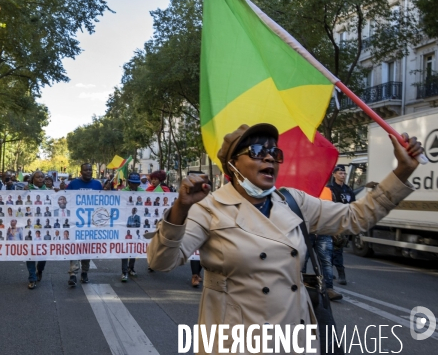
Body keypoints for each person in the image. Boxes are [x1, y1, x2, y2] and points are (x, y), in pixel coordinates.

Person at [146, 123, 422, 351]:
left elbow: (355, 217)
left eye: (274, 153)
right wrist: (181, 207)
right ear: (232, 165)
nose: (268, 158)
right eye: (256, 151)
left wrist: (402, 171)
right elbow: (161, 262)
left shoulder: (293, 201)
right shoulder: (209, 208)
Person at [65, 163, 103, 287]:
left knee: (87, 249)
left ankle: (85, 272)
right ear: (81, 172)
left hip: (91, 224)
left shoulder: (97, 184)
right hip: (76, 223)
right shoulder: (73, 184)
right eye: (86, 170)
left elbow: (104, 201)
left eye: (90, 170)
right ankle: (73, 274)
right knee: (75, 248)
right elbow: (65, 198)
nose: (88, 172)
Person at [327, 165, 356, 286]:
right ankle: (334, 272)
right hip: (332, 221)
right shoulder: (330, 189)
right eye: (340, 173)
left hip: (344, 222)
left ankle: (337, 273)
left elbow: (353, 205)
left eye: (344, 173)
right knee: (329, 249)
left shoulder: (348, 189)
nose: (342, 175)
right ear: (334, 174)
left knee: (338, 249)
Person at [119, 172, 144, 281]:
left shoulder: (143, 192)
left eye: (136, 184)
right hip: (124, 225)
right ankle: (124, 272)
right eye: (132, 184)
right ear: (129, 183)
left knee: (134, 248)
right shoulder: (123, 192)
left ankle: (131, 268)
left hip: (137, 228)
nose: (134, 186)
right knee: (124, 248)